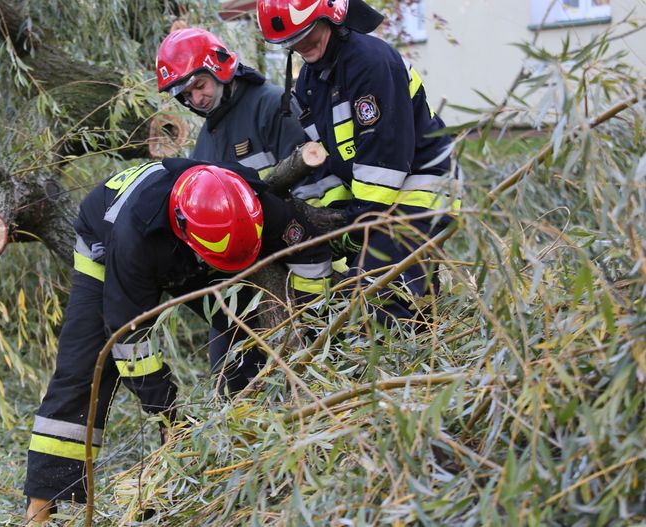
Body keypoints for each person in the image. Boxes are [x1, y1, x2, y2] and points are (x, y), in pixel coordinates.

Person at [24, 159, 333, 521]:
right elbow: (128, 335)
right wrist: (168, 414)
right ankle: (40, 508)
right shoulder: (133, 241)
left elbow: (312, 256)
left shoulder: (256, 203)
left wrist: (310, 325)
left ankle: (248, 441)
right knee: (85, 366)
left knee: (246, 327)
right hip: (108, 247)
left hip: (205, 252)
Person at [256, 0, 461, 327]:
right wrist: (336, 217)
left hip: (420, 191)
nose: (301, 46)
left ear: (332, 16)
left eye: (308, 34)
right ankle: (428, 343)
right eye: (291, 41)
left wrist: (358, 223)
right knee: (404, 300)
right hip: (376, 203)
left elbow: (384, 155)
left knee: (373, 294)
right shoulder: (309, 81)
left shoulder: (370, 61)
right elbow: (326, 159)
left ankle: (396, 351)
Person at [156, 27, 307, 176]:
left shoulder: (273, 106)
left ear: (219, 70)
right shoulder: (205, 138)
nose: (197, 99)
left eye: (200, 85)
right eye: (187, 94)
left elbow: (309, 181)